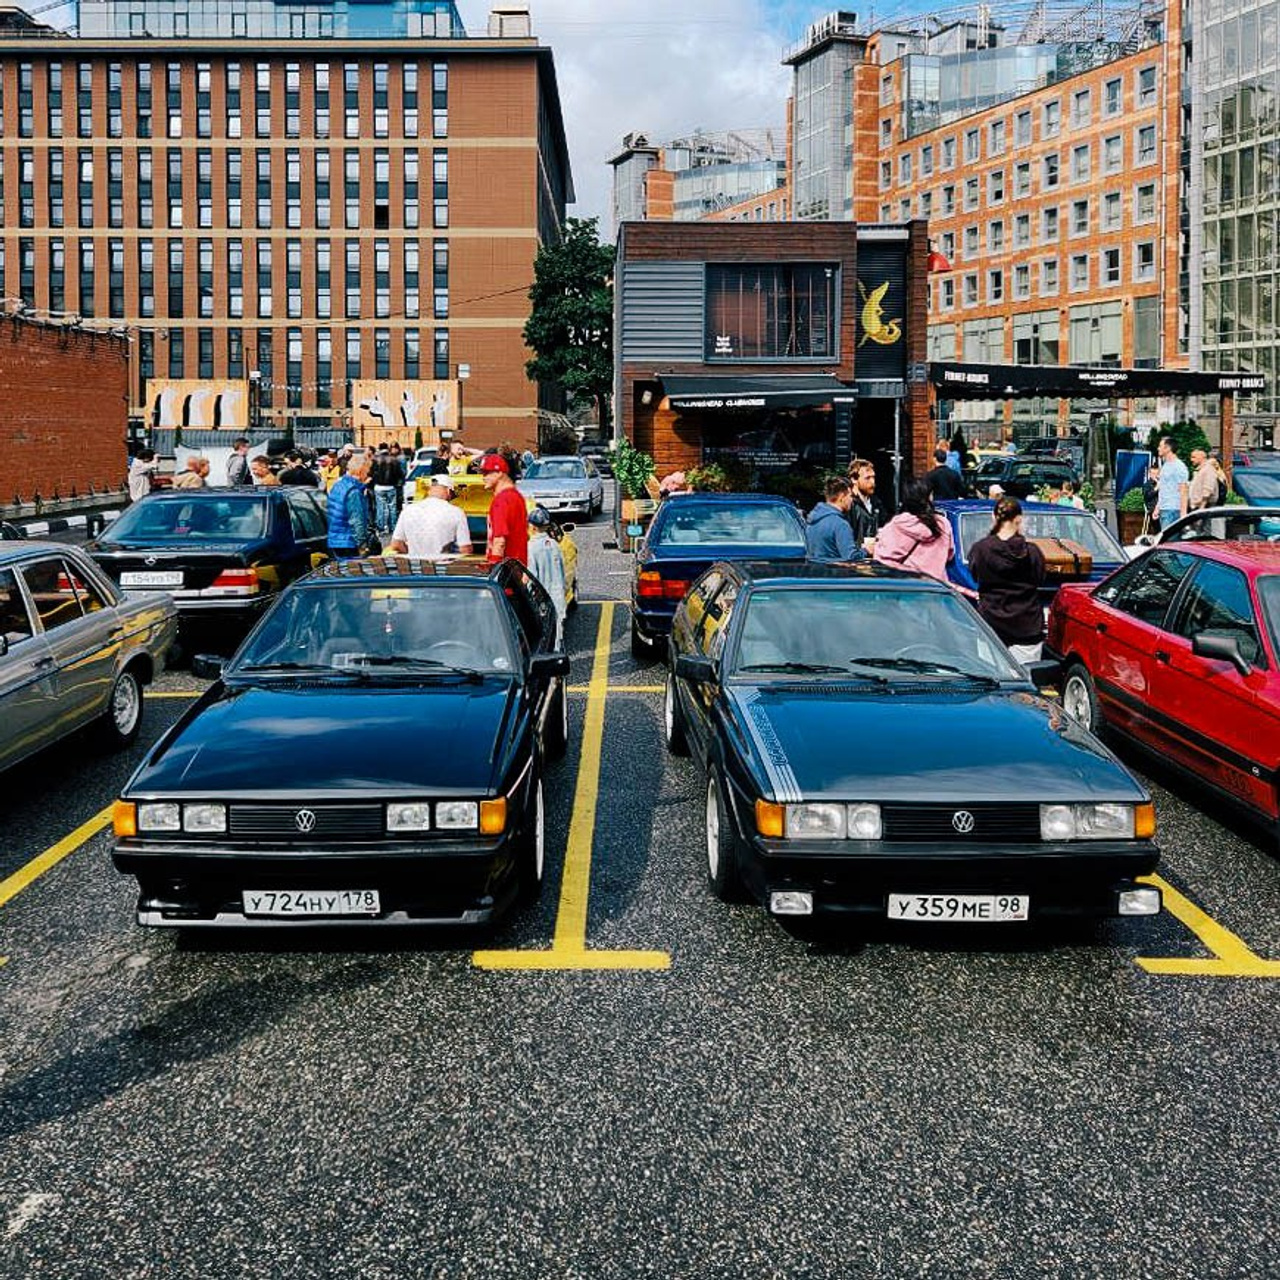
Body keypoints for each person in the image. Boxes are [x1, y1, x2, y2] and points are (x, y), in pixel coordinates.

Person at [967, 496, 1048, 666]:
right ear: (1019, 519)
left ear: (994, 517)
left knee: (992, 677)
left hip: (990, 621)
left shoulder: (980, 549)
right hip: (1027, 624)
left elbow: (975, 576)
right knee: (1026, 677)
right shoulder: (1033, 552)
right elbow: (1040, 579)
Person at [872, 478, 954, 581]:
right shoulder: (943, 524)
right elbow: (950, 555)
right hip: (936, 586)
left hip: (906, 586)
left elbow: (881, 557)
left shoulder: (897, 525)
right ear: (929, 497)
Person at [388, 474, 472, 558]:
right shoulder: (456, 512)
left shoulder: (408, 510)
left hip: (417, 564)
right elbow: (465, 549)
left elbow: (396, 544)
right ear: (448, 491)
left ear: (429, 490)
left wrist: (413, 554)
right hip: (443, 564)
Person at [526, 506, 567, 635]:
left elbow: (532, 576)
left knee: (546, 635)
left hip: (543, 599)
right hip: (558, 596)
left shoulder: (531, 547)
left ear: (532, 527)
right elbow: (562, 571)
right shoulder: (555, 545)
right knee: (558, 633)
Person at [482, 453, 528, 565]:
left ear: (499, 473)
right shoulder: (517, 496)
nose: (483, 478)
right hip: (518, 565)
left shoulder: (501, 500)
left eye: (487, 473)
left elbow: (500, 540)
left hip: (505, 568)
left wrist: (494, 565)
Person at [326, 451, 373, 558]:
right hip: (348, 541)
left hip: (335, 539)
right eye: (367, 471)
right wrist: (362, 545)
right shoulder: (354, 492)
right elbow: (357, 521)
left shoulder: (338, 485)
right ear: (361, 471)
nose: (367, 475)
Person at [805, 477, 864, 562]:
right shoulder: (840, 525)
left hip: (813, 569)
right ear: (842, 496)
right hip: (834, 570)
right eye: (850, 496)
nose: (852, 500)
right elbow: (851, 558)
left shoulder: (812, 521)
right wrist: (866, 550)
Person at [846, 458, 887, 551]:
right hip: (856, 556)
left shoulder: (877, 504)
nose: (872, 482)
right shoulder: (849, 504)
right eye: (867, 478)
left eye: (873, 477)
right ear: (854, 479)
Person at [369, 443, 402, 539]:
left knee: (380, 507)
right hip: (391, 486)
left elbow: (371, 473)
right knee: (392, 508)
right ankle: (393, 528)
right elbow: (399, 474)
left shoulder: (375, 460)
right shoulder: (394, 459)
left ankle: (381, 528)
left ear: (379, 449)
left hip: (379, 486)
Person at [1156, 435, 1189, 528]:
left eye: (1160, 446)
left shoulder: (1179, 466)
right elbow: (1164, 488)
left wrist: (1183, 514)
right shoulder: (1165, 465)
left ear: (1168, 448)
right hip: (1164, 509)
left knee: (1170, 537)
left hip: (1173, 510)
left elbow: (1183, 490)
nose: (1158, 448)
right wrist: (1158, 507)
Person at [1188, 446, 1218, 511]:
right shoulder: (1201, 470)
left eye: (1194, 457)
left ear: (1202, 456)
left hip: (1203, 507)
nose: (1191, 460)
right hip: (1198, 506)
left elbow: (1208, 490)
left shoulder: (1208, 469)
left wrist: (1202, 508)